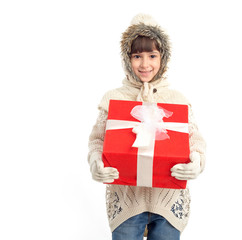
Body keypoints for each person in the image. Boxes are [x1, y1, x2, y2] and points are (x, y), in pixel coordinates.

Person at [87, 13, 206, 240]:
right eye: (137, 56)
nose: (145, 64)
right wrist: (95, 162)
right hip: (127, 201)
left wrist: (198, 159)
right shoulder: (113, 98)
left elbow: (195, 139)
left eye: (152, 55)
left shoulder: (177, 99)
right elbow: (97, 140)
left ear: (163, 57)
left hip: (169, 201)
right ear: (126, 59)